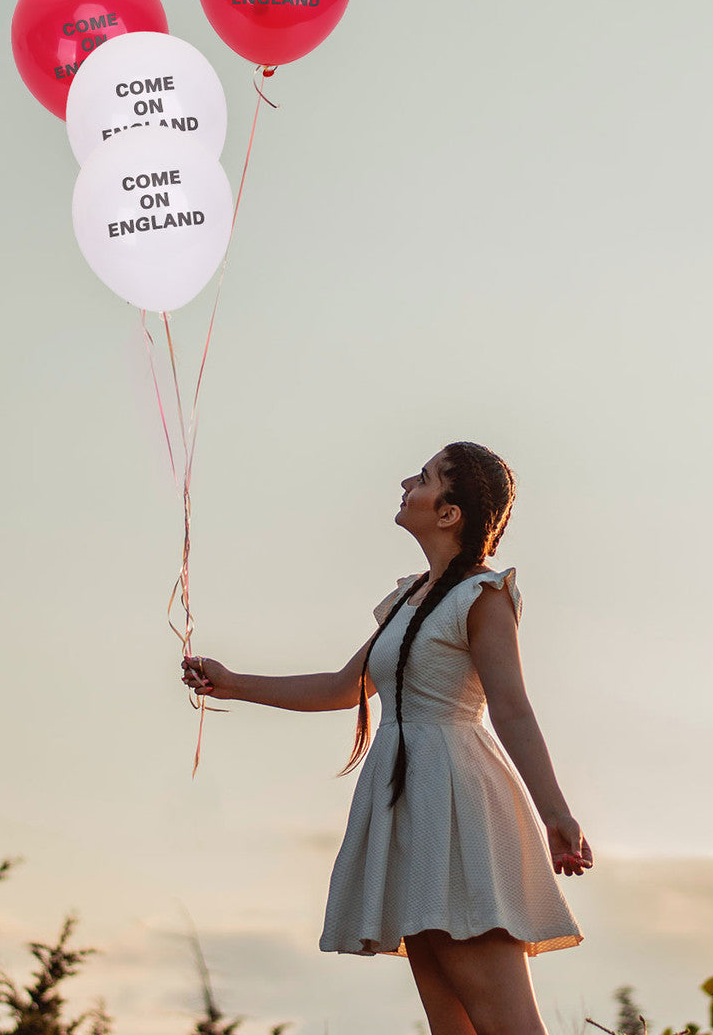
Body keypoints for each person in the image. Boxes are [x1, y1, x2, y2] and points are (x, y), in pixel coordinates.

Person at [182, 441, 593, 1035]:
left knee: (507, 1025)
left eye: (425, 477)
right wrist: (231, 683)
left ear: (449, 512)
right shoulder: (408, 597)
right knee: (452, 1024)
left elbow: (512, 709)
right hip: (410, 802)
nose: (407, 481)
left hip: (458, 803)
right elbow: (341, 686)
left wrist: (555, 813)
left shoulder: (484, 594)